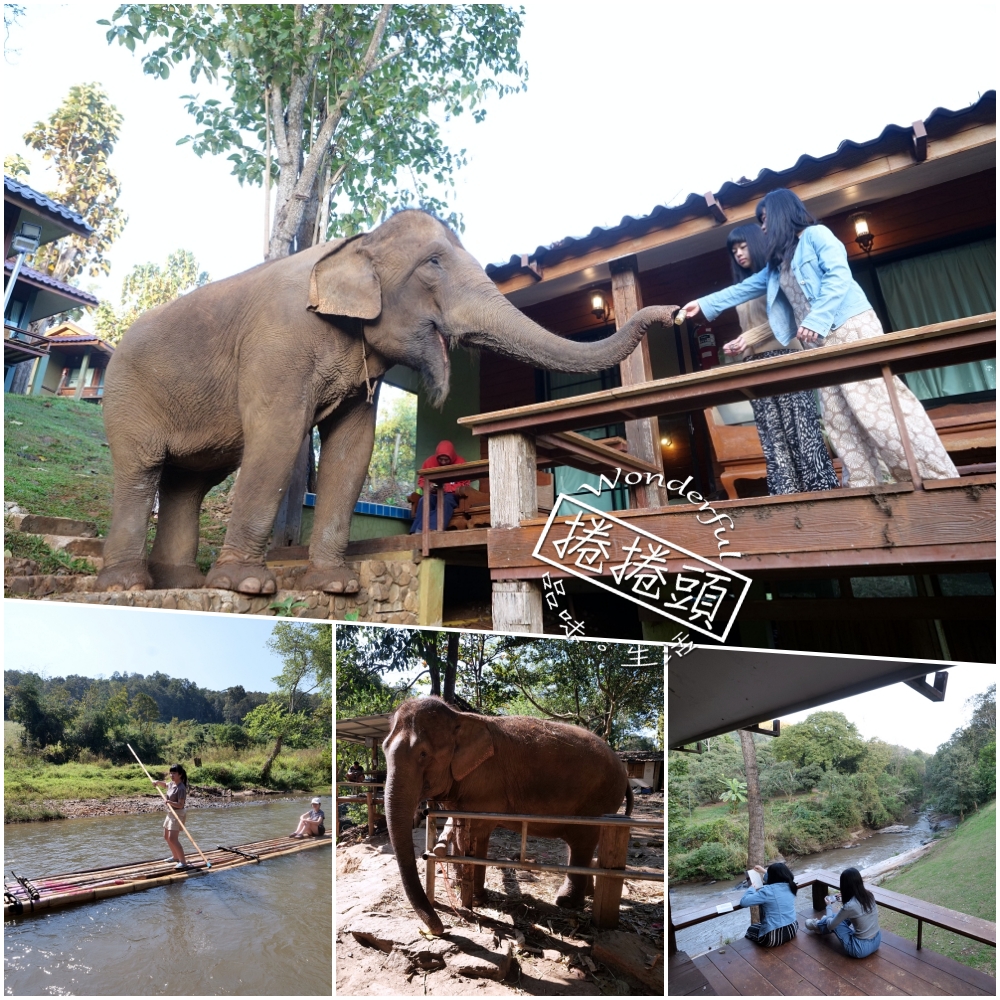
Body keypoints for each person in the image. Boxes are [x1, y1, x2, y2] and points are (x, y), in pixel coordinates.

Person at [681, 188, 958, 489]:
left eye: (764, 219)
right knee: (839, 420)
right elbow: (742, 289)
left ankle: (935, 479)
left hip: (850, 329)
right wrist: (703, 303)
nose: (762, 227)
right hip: (820, 345)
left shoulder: (817, 236)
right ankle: (866, 488)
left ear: (781, 214)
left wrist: (815, 319)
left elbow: (838, 277)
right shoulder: (777, 264)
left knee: (876, 409)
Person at [719, 223, 840, 494]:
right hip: (754, 365)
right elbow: (747, 330)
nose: (738, 253)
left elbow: (786, 318)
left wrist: (747, 339)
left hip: (786, 357)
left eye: (743, 246)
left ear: (756, 243)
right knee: (771, 433)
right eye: (734, 250)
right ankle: (785, 492)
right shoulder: (743, 287)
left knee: (801, 426)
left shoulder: (777, 274)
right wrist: (741, 348)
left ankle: (822, 490)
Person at [806, 867, 881, 958]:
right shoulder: (869, 895)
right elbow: (855, 910)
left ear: (844, 885)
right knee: (837, 918)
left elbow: (831, 926)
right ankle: (820, 925)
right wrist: (846, 897)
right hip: (877, 940)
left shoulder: (849, 906)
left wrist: (829, 906)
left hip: (860, 949)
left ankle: (817, 925)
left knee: (833, 921)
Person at [408, 440, 470, 533]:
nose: (444, 462)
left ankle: (432, 529)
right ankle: (416, 531)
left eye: (446, 459)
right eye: (441, 459)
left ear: (452, 457)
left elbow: (465, 484)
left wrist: (447, 487)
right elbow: (422, 480)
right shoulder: (429, 462)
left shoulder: (461, 462)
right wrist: (429, 486)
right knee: (424, 500)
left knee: (445, 501)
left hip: (452, 496)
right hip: (434, 494)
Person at [739, 862, 799, 947]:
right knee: (761, 926)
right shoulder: (791, 885)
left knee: (751, 929)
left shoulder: (767, 891)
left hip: (773, 937)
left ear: (771, 876)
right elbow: (775, 880)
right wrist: (763, 871)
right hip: (793, 929)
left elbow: (744, 902)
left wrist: (751, 889)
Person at [153, 764, 188, 869]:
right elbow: (165, 785)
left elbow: (180, 804)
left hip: (178, 814)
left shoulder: (181, 788)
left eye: (174, 773)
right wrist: (157, 782)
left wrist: (169, 802)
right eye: (171, 773)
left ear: (180, 775)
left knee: (173, 838)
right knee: (166, 837)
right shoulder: (172, 784)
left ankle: (183, 862)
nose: (172, 775)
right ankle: (175, 857)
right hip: (170, 813)